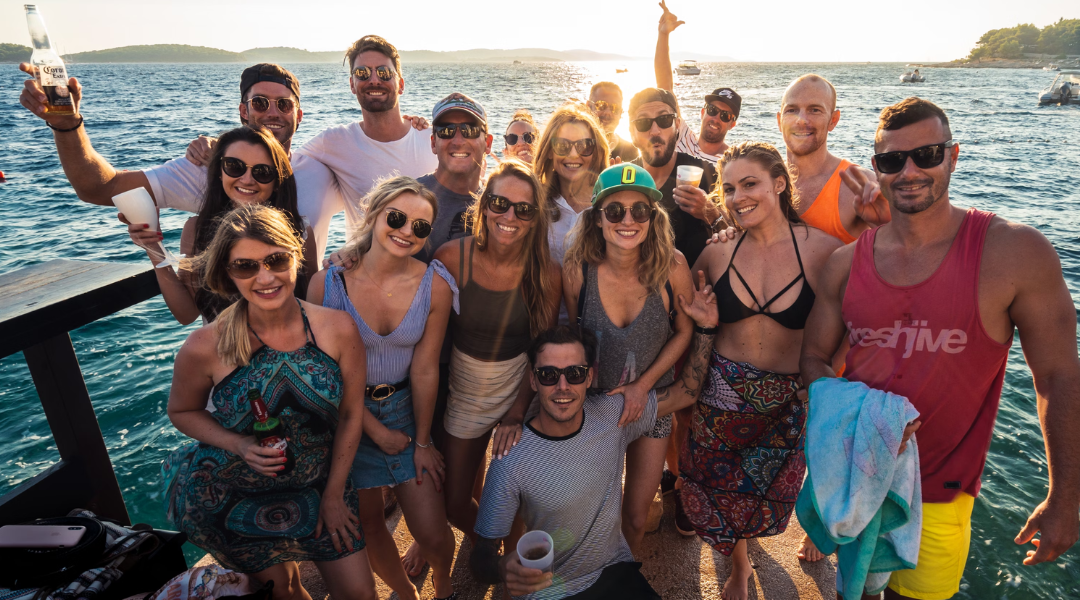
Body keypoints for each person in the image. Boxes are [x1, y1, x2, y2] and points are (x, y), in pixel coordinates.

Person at [801, 97, 1080, 600]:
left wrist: (1065, 496)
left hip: (942, 497)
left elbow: (1058, 377)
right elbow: (813, 358)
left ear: (953, 155)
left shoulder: (1015, 253)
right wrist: (862, 417)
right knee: (855, 593)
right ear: (877, 168)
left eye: (926, 155)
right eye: (892, 160)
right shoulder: (846, 263)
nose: (909, 171)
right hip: (860, 478)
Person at [161, 203, 375, 600]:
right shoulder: (205, 345)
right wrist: (238, 444)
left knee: (360, 593)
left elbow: (350, 415)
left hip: (321, 484)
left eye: (276, 260)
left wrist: (333, 494)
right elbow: (182, 411)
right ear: (227, 273)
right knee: (284, 591)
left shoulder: (337, 328)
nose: (265, 277)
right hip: (234, 493)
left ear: (295, 257)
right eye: (245, 267)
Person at [674, 142, 842, 600]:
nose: (737, 197)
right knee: (722, 491)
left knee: (767, 493)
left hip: (788, 400)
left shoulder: (825, 251)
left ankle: (765, 548)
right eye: (728, 189)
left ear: (780, 184)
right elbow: (685, 312)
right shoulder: (716, 253)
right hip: (721, 395)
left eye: (750, 184)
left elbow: (851, 324)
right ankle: (740, 567)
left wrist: (823, 381)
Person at [470, 322, 715, 600]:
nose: (562, 387)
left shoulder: (612, 414)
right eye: (549, 375)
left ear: (589, 377)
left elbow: (687, 391)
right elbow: (481, 557)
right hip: (549, 591)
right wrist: (501, 568)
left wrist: (706, 328)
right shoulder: (512, 456)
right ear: (533, 380)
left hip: (614, 573)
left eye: (574, 374)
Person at [18, 62, 344, 260]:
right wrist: (68, 126)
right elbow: (99, 188)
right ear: (243, 111)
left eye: (283, 105)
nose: (272, 112)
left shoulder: (321, 171)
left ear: (298, 115)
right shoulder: (209, 170)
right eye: (260, 102)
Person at [308, 177, 458, 600]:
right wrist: (374, 431)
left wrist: (423, 441)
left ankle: (444, 583)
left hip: (404, 411)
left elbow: (425, 369)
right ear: (374, 214)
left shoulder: (434, 285)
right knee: (368, 522)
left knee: (433, 532)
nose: (407, 231)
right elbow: (324, 378)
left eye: (420, 227)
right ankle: (406, 595)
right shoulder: (326, 284)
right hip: (344, 417)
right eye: (396, 218)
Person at [563, 162, 694, 554]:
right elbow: (574, 338)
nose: (628, 220)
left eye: (640, 210)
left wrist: (642, 386)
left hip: (652, 406)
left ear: (653, 217)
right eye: (615, 210)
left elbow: (684, 331)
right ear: (597, 218)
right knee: (591, 512)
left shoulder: (673, 266)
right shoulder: (577, 270)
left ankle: (623, 576)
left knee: (636, 517)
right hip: (595, 407)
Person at [433, 160, 562, 549]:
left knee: (516, 495)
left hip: (519, 389)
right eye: (500, 203)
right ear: (484, 205)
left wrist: (518, 412)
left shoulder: (546, 273)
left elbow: (541, 353)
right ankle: (491, 546)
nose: (509, 217)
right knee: (454, 503)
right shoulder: (452, 257)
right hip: (466, 392)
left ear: (535, 218)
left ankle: (512, 559)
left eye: (523, 210)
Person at [126, 126, 317, 325]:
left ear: (277, 180)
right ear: (219, 171)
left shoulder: (299, 231)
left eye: (262, 172)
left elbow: (312, 303)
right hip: (220, 344)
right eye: (234, 166)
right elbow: (186, 314)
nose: (247, 180)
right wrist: (153, 247)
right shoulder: (197, 230)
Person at [295, 35, 439, 233]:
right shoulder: (335, 141)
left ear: (401, 84)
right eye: (362, 73)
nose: (374, 80)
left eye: (384, 72)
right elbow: (284, 162)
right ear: (352, 84)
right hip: (362, 254)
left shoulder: (432, 140)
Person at [776, 74, 890, 245]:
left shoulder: (859, 185)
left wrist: (887, 224)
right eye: (791, 110)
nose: (801, 120)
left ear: (833, 120)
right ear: (779, 121)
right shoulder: (764, 183)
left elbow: (904, 248)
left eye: (815, 110)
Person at [628, 87, 720, 270]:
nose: (655, 131)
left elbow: (739, 236)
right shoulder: (624, 178)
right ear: (631, 132)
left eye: (664, 120)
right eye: (643, 123)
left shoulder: (707, 174)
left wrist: (711, 214)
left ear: (677, 125)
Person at [653, 0, 739, 163]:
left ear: (732, 124)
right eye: (712, 110)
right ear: (702, 112)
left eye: (725, 116)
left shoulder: (731, 162)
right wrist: (663, 35)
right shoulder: (682, 138)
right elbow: (665, 88)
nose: (716, 118)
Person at [533, 104, 611, 266]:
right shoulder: (535, 201)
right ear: (549, 151)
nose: (574, 154)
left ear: (595, 151)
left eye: (584, 146)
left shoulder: (610, 202)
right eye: (562, 146)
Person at [588, 82, 640, 163]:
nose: (608, 112)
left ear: (621, 113)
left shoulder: (630, 151)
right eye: (601, 105)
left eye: (615, 108)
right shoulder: (577, 146)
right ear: (588, 107)